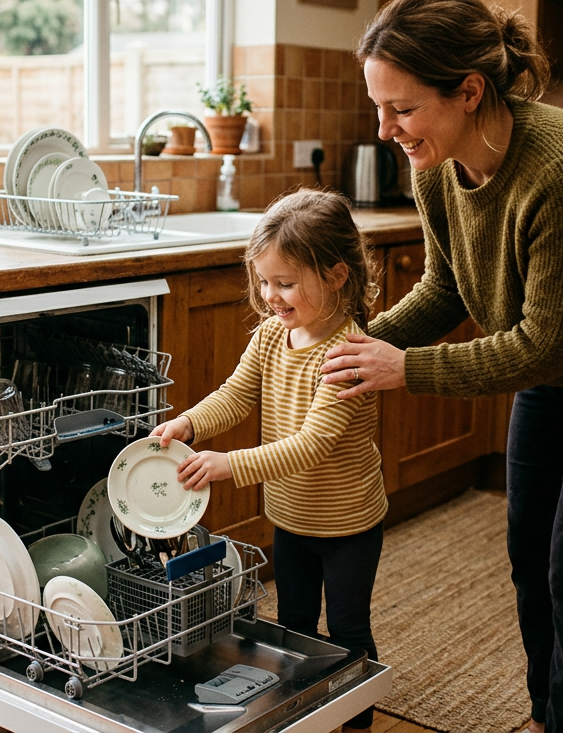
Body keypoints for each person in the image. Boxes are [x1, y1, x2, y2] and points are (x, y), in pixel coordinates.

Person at [318, 0, 563, 733]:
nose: (386, 128)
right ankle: (546, 716)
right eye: (380, 107)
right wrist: (358, 345)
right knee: (531, 555)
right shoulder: (433, 163)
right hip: (559, 366)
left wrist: (404, 369)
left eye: (401, 107)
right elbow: (447, 287)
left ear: (469, 91)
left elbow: (543, 345)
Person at [152, 188, 386, 732]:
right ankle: (306, 717)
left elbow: (311, 444)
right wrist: (189, 421)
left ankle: (357, 721)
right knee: (295, 626)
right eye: (264, 281)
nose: (271, 295)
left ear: (335, 276)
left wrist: (227, 464)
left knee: (349, 629)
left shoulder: (346, 355)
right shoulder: (271, 338)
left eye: (285, 283)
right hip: (291, 517)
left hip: (349, 522)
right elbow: (235, 396)